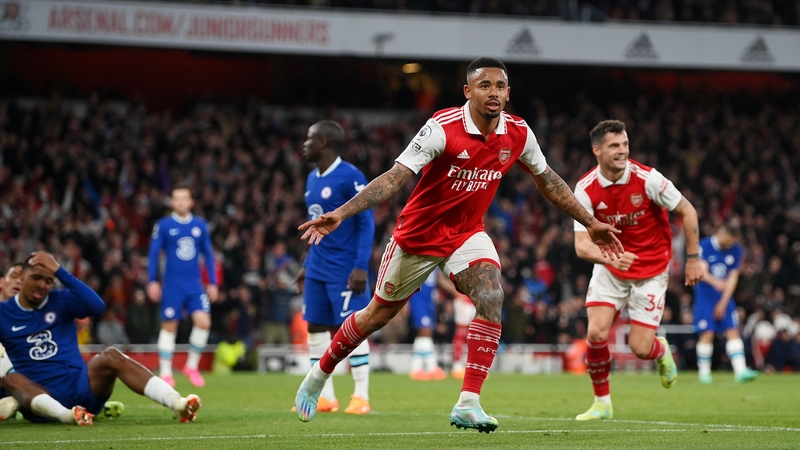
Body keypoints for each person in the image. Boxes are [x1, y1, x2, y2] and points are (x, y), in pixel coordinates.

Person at [294, 57, 623, 433]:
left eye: (500, 86)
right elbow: (395, 177)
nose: (493, 92)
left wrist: (590, 221)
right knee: (375, 317)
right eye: (484, 85)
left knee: (491, 295)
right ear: (468, 91)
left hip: (467, 233)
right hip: (418, 237)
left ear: (508, 93)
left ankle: (468, 402)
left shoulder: (518, 132)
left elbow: (548, 181)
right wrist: (343, 212)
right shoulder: (442, 127)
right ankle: (319, 375)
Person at [572, 119, 703, 421]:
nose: (622, 151)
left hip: (651, 270)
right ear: (597, 150)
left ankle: (661, 350)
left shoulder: (648, 179)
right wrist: (609, 259)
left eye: (625, 144)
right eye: (614, 146)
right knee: (595, 332)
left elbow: (687, 210)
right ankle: (602, 403)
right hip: (611, 269)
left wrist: (694, 257)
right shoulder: (585, 188)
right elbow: (581, 246)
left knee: (640, 348)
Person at [0, 252, 201, 425]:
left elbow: (97, 306)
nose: (42, 285)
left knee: (111, 355)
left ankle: (177, 403)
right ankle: (67, 416)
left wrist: (61, 272)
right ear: (22, 275)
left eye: (49, 280)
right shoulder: (3, 313)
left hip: (80, 388)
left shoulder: (60, 300)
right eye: (36, 278)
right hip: (41, 397)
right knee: (9, 376)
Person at [293, 120, 375, 415]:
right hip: (317, 268)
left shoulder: (350, 176)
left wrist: (361, 267)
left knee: (352, 329)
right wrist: (306, 264)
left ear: (324, 143)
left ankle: (361, 397)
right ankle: (324, 396)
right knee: (315, 327)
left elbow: (366, 222)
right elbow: (317, 229)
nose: (305, 143)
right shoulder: (312, 178)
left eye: (310, 138)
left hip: (345, 269)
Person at [148, 184, 219, 387]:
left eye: (184, 198)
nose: (180, 202)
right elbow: (154, 254)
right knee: (170, 326)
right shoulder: (163, 225)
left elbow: (209, 255)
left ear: (191, 202)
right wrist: (152, 281)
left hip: (194, 284)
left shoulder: (200, 225)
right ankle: (166, 372)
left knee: (204, 322)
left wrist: (213, 283)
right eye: (176, 198)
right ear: (172, 202)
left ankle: (191, 367)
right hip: (172, 284)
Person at [694, 222, 759, 383]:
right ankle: (704, 374)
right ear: (721, 233)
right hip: (705, 296)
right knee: (707, 333)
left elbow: (733, 277)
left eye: (733, 242)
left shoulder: (737, 250)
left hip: (724, 296)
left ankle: (741, 371)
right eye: (728, 241)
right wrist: (717, 283)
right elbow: (702, 271)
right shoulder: (704, 245)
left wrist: (723, 301)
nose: (730, 244)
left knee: (732, 330)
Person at [408, 269, 447, 381]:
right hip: (418, 298)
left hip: (429, 300)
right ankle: (432, 367)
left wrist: (456, 293)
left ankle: (416, 368)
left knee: (425, 333)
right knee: (425, 330)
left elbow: (440, 279)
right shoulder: (420, 257)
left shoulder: (435, 263)